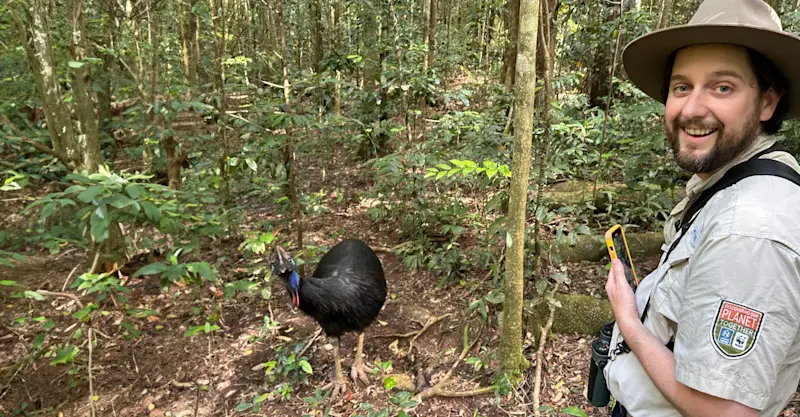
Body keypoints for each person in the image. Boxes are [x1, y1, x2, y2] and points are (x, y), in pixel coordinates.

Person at [602, 0, 800, 416]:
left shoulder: (747, 228)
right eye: (681, 87)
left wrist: (630, 325)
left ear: (767, 103)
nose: (691, 109)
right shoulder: (735, 181)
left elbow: (723, 412)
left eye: (722, 87)